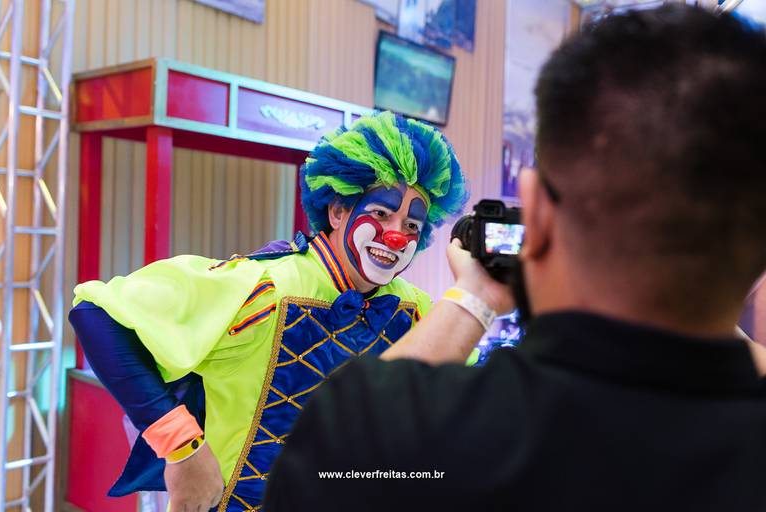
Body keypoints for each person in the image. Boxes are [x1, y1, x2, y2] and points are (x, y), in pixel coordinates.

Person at [264, 6, 766, 511]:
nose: (397, 236)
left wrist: (477, 297)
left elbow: (359, 441)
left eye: (412, 224)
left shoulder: (390, 424)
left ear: (541, 214)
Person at [68, 111, 468, 511]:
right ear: (338, 212)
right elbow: (96, 314)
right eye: (381, 214)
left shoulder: (414, 308)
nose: (397, 235)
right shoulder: (266, 288)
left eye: (412, 225)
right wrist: (181, 446)